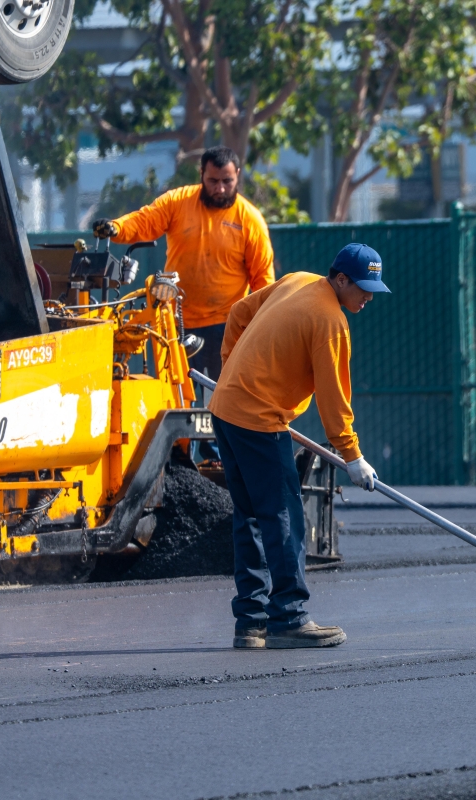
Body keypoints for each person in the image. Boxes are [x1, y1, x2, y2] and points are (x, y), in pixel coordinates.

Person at [206, 243, 388, 649]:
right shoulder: (330, 320)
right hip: (257, 419)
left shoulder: (296, 281)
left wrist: (234, 371)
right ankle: (288, 617)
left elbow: (237, 314)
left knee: (250, 517)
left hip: (225, 407)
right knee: (284, 518)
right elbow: (333, 397)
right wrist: (352, 455)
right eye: (362, 288)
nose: (368, 297)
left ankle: (250, 623)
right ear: (340, 279)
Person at [92, 146, 276, 464]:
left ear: (237, 178)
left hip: (228, 325)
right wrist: (117, 229)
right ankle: (180, 459)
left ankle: (220, 459)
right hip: (177, 324)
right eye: (214, 180)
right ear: (201, 176)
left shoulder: (249, 220)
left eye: (227, 181)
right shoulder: (179, 203)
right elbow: (146, 220)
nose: (220, 188)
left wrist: (260, 327)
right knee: (177, 393)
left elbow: (263, 279)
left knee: (226, 397)